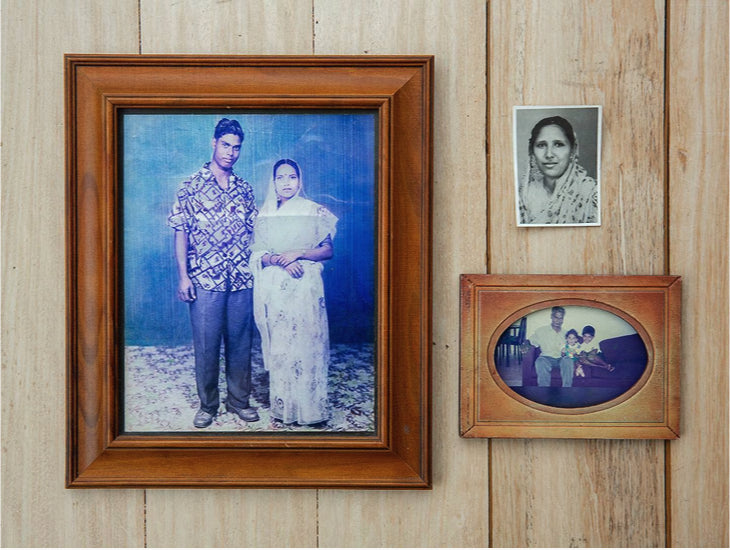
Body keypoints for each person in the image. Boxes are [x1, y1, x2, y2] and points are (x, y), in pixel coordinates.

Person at [167, 118, 259, 428]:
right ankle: (208, 405)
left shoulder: (244, 189)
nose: (231, 153)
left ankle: (239, 402)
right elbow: (180, 232)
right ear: (213, 143)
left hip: (241, 278)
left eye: (236, 148)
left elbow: (256, 234)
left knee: (241, 342)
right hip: (205, 278)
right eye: (225, 145)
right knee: (206, 345)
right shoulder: (190, 185)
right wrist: (184, 276)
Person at [250, 159, 338, 426]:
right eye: (280, 177)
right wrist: (279, 260)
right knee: (283, 348)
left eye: (292, 177)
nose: (286, 183)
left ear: (300, 181)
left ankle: (311, 411)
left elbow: (327, 251)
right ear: (273, 182)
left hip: (305, 292)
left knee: (308, 345)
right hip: (276, 293)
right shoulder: (263, 215)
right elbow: (257, 256)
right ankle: (285, 409)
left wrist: (297, 253)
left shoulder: (314, 211)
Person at [518, 115, 598, 225]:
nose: (549, 154)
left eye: (558, 145)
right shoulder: (524, 195)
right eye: (541, 145)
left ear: (573, 149)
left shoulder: (591, 194)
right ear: (531, 151)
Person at [523, 306, 575, 387]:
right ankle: (544, 391)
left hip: (561, 359)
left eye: (561, 318)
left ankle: (567, 390)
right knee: (540, 361)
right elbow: (530, 341)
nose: (558, 321)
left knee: (568, 360)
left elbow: (574, 345)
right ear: (551, 316)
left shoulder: (566, 333)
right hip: (546, 358)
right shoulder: (541, 331)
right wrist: (525, 345)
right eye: (556, 317)